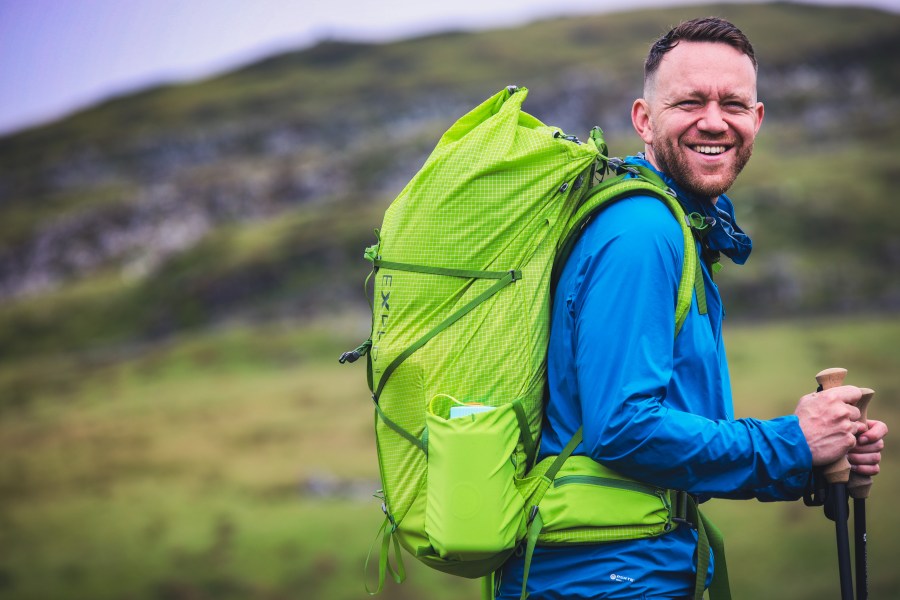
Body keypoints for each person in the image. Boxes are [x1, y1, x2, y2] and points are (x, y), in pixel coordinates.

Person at [496, 17, 888, 599]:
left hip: (629, 563)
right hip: (605, 576)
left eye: (733, 103)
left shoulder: (681, 230)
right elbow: (623, 430)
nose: (714, 120)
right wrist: (792, 442)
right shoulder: (642, 230)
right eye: (689, 102)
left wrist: (815, 455)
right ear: (644, 120)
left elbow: (670, 426)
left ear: (756, 120)